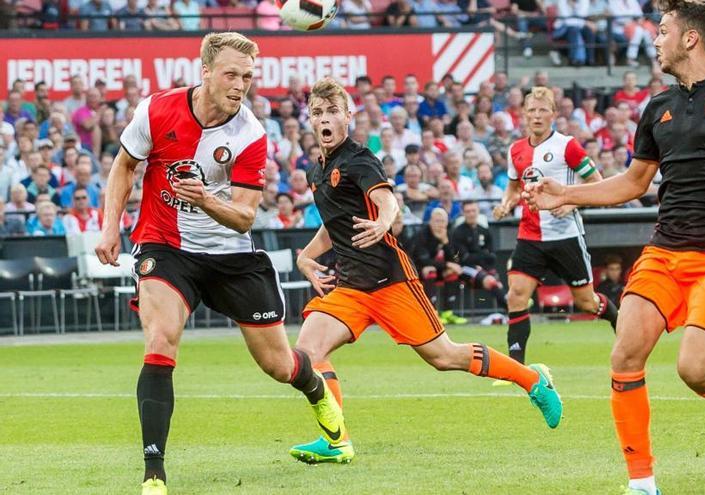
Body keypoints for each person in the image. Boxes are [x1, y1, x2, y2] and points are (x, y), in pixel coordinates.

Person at [521, 1, 705, 492]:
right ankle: (641, 483)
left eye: (661, 31)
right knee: (624, 355)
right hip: (664, 250)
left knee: (695, 370)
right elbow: (635, 182)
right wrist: (565, 195)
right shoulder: (657, 107)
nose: (654, 39)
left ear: (690, 39)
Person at [94, 33, 342, 495]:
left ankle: (314, 390)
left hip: (229, 255)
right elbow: (124, 166)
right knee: (161, 339)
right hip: (164, 246)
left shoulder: (249, 134)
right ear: (205, 71)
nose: (240, 85)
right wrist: (111, 225)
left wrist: (205, 198)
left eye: (247, 77)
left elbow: (245, 216)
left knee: (277, 363)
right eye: (231, 74)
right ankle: (154, 473)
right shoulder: (156, 110)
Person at [288, 77, 562, 465]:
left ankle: (532, 379)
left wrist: (384, 221)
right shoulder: (319, 171)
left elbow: (387, 201)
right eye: (318, 113)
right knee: (306, 354)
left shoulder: (359, 159)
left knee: (444, 357)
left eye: (333, 111)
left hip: (390, 281)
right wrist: (304, 257)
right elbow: (333, 225)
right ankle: (337, 440)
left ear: (348, 116)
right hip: (350, 288)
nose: (325, 118)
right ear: (311, 122)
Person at [493, 86, 617, 367]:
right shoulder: (516, 149)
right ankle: (516, 367)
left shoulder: (567, 145)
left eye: (543, 110)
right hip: (530, 235)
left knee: (586, 303)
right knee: (516, 296)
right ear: (524, 114)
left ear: (553, 114)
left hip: (565, 235)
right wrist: (505, 204)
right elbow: (513, 189)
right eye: (532, 110)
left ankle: (616, 318)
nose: (537, 116)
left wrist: (571, 203)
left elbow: (596, 182)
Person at [412, 207, 470, 324]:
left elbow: (456, 259)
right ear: (431, 221)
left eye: (442, 221)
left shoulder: (448, 234)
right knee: (430, 270)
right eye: (437, 221)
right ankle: (432, 313)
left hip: (439, 269)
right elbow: (424, 260)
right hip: (417, 270)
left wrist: (445, 242)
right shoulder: (422, 235)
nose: (440, 224)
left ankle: (448, 312)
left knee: (452, 272)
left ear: (447, 222)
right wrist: (448, 264)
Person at [451, 200, 508, 309]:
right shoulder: (458, 232)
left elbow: (492, 257)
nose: (471, 214)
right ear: (463, 213)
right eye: (468, 211)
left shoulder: (484, 231)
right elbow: (464, 258)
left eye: (473, 210)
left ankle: (510, 311)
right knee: (491, 281)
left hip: (484, 267)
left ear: (478, 212)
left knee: (497, 284)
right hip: (464, 269)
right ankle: (511, 309)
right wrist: (482, 255)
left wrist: (479, 258)